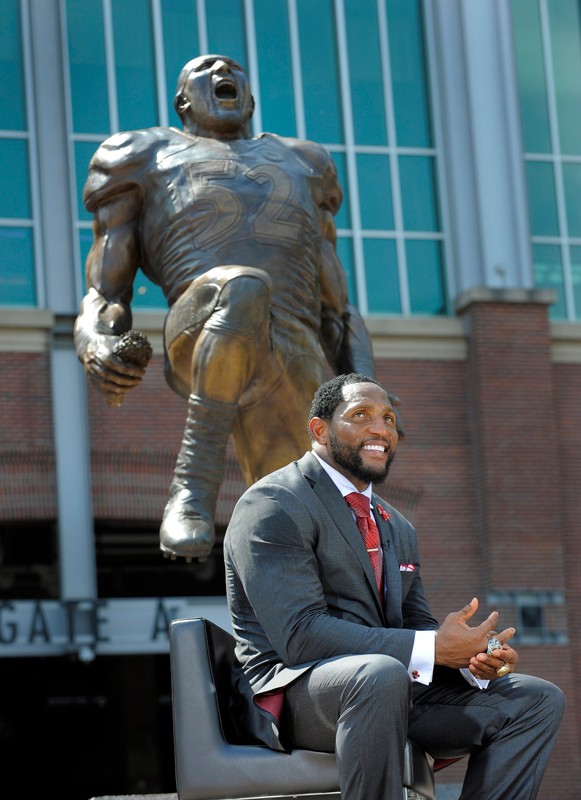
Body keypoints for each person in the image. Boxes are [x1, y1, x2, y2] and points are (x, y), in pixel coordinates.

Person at [73, 55, 376, 562]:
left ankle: (297, 632)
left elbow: (336, 308)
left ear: (251, 100)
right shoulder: (142, 154)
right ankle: (192, 484)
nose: (222, 71)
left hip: (291, 346)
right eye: (205, 69)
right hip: (202, 321)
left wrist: (369, 395)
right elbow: (105, 291)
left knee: (312, 530)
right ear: (182, 101)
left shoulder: (304, 162)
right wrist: (96, 341)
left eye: (233, 68)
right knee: (243, 287)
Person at [223, 372, 564, 800]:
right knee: (380, 674)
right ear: (320, 429)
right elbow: (300, 636)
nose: (380, 429)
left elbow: (418, 627)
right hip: (294, 694)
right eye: (361, 415)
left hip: (387, 688)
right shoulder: (274, 503)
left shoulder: (396, 526)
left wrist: (474, 655)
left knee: (536, 699)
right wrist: (432, 648)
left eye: (388, 418)